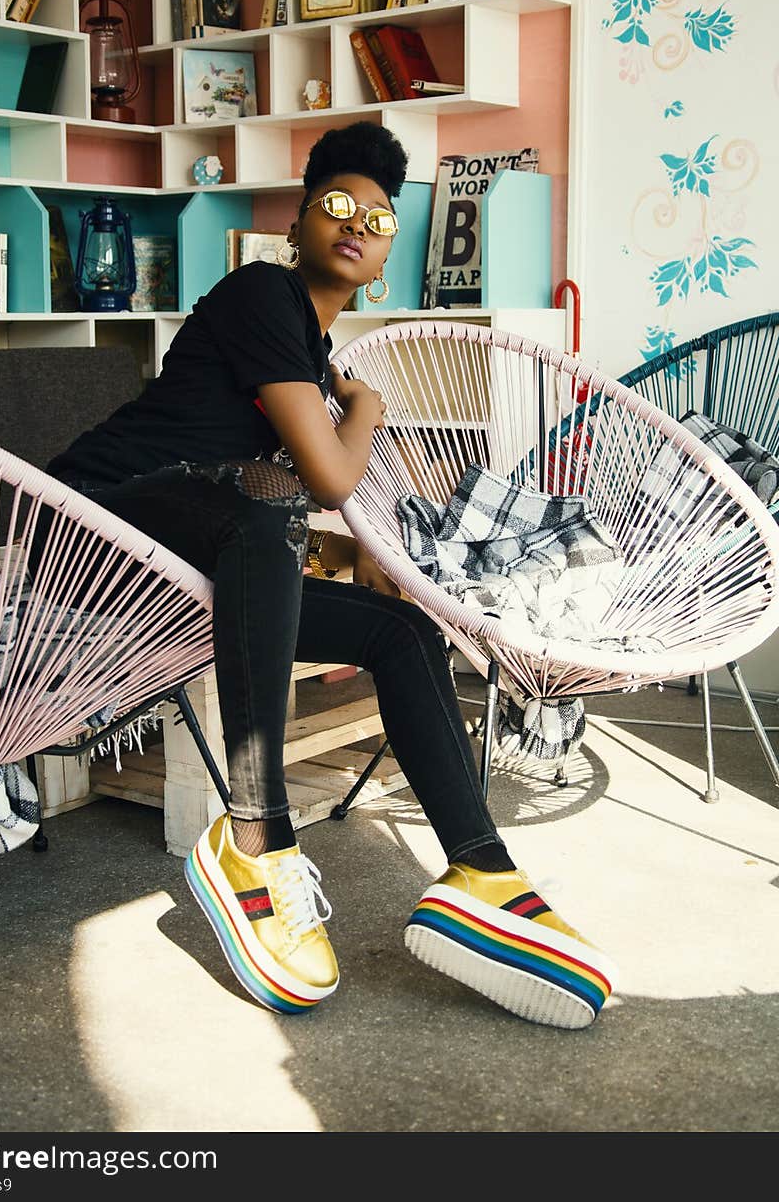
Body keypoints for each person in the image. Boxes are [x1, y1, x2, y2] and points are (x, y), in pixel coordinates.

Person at [44, 121, 617, 1030]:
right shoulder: (261, 293)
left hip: (185, 548)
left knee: (399, 631)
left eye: (380, 218)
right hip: (82, 523)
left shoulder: (311, 358)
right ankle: (256, 838)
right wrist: (373, 408)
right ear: (302, 222)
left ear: (387, 251)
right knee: (268, 493)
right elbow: (328, 479)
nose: (358, 224)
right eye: (339, 206)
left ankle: (481, 871)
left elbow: (334, 499)